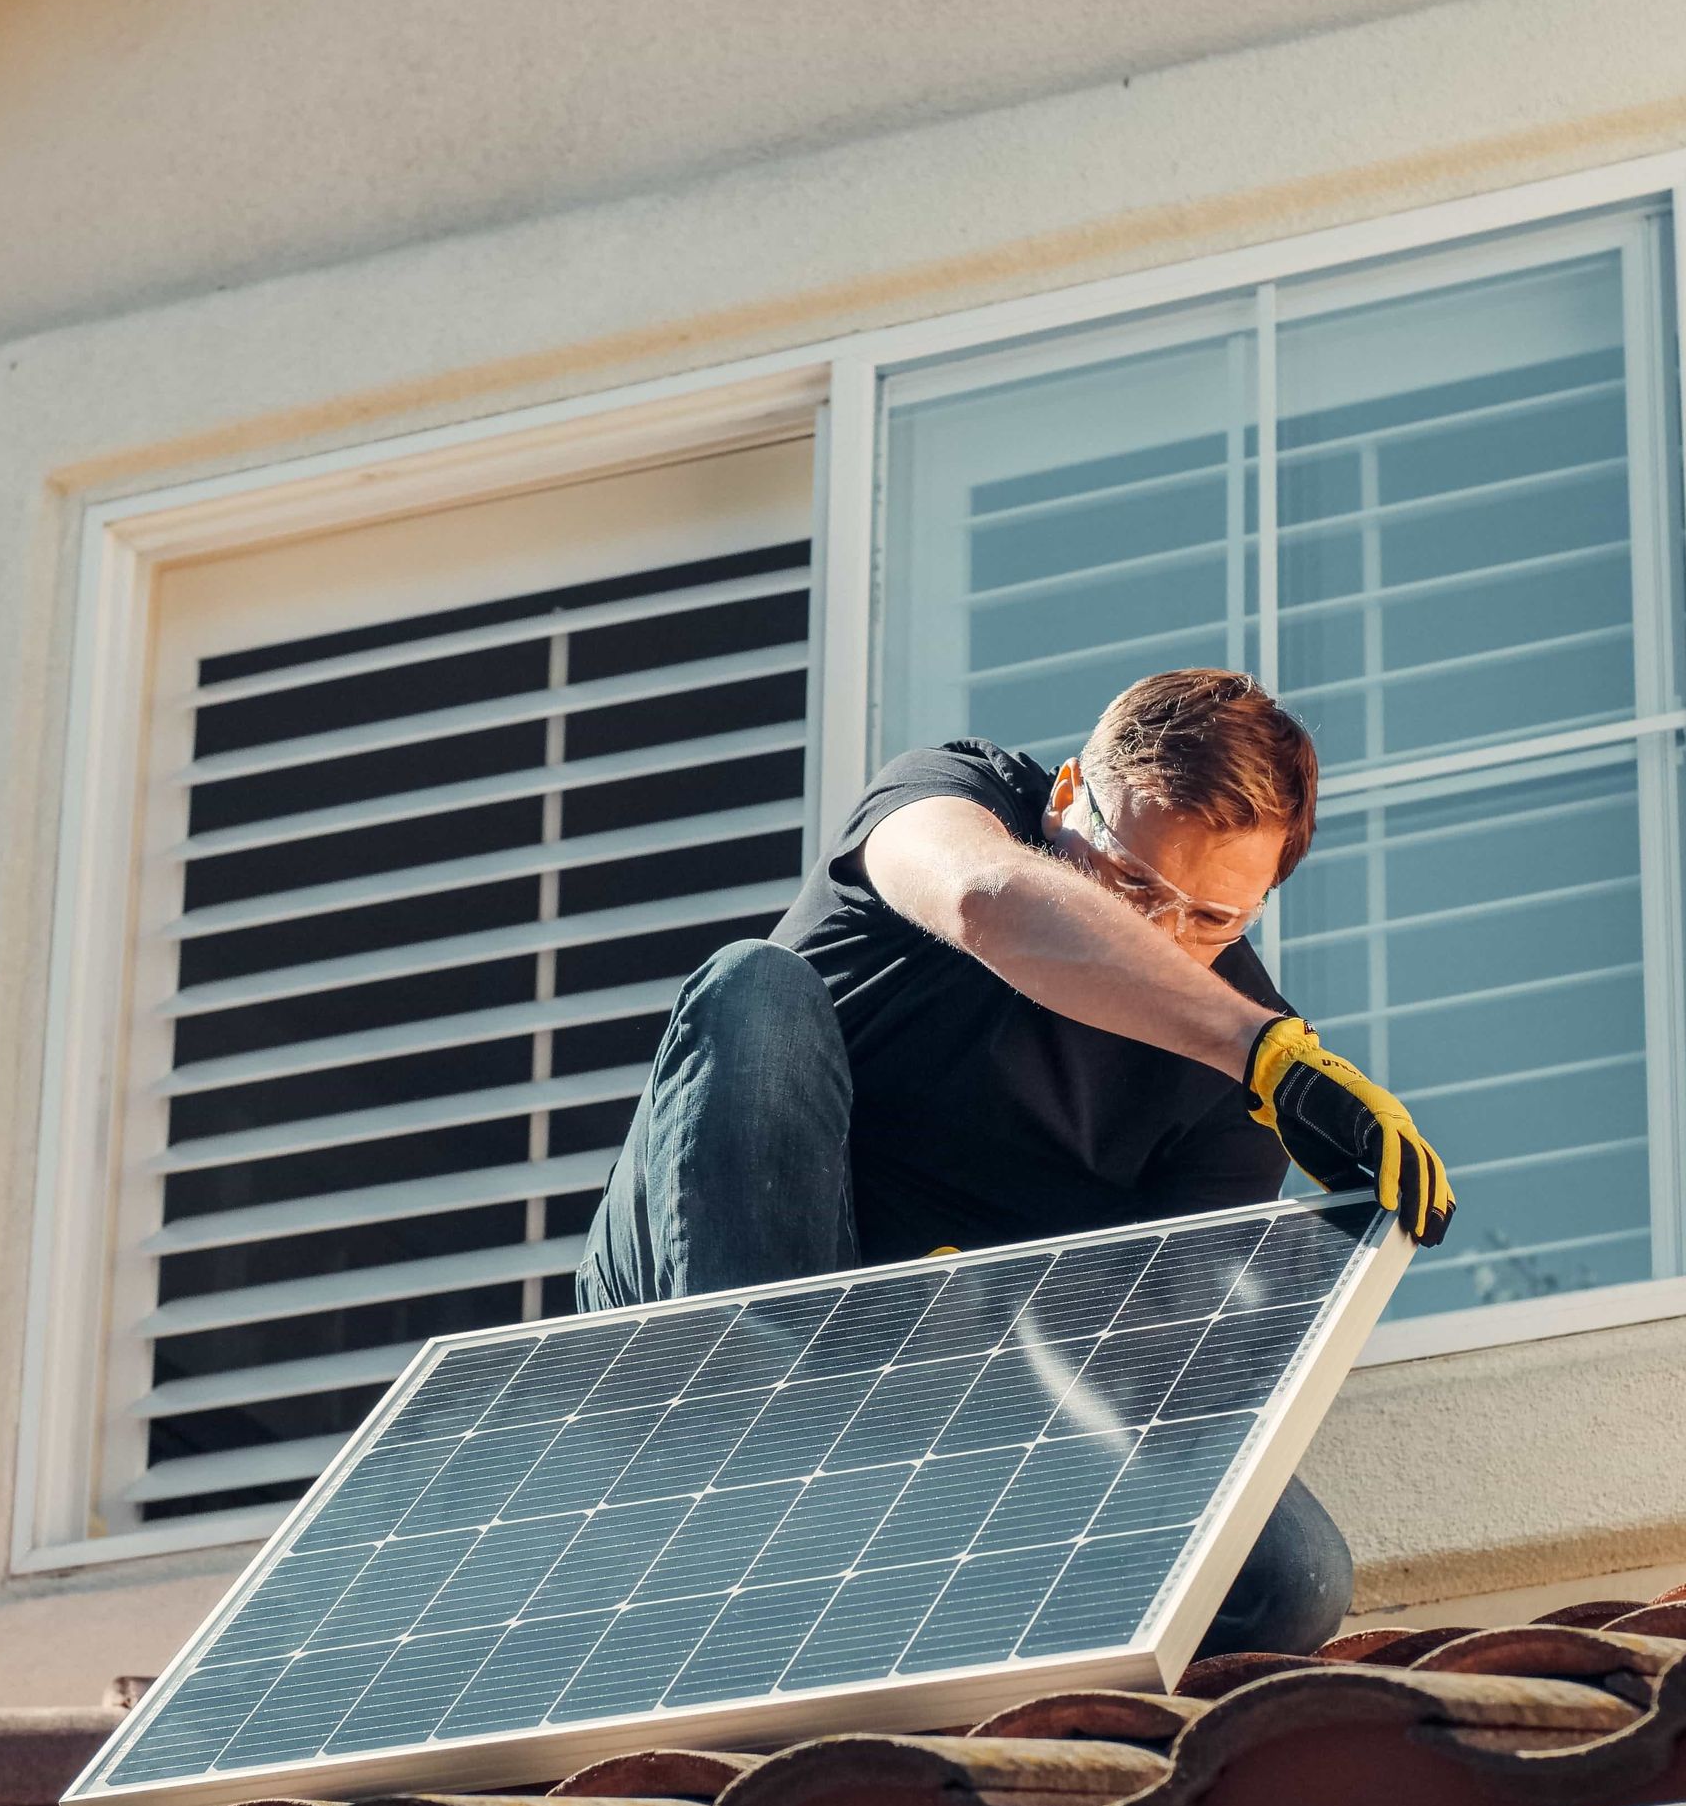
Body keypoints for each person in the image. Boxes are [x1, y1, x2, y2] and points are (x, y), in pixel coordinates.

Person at [577, 668, 1453, 1658]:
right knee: (755, 990)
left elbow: (1158, 1392)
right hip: (722, 1297)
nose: (1160, 933)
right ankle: (755, 1467)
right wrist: (1261, 1048)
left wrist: (1307, 1262)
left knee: (1288, 1581)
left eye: (1213, 920)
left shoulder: (1231, 1089)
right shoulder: (958, 796)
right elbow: (981, 894)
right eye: (1130, 883)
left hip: (938, 1399)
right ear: (1069, 793)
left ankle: (914, 1594)